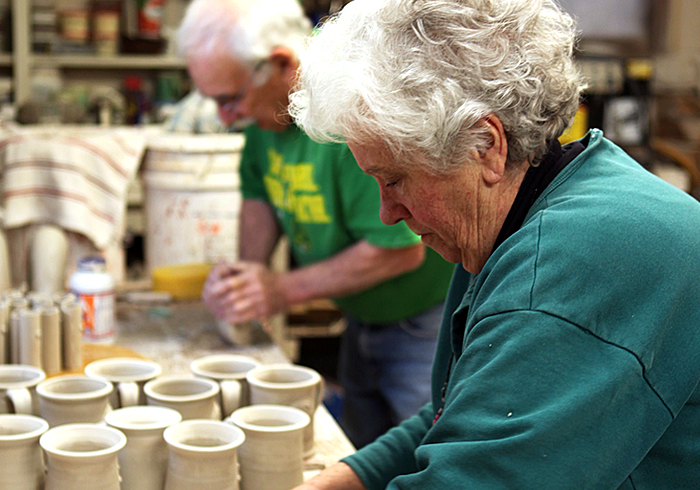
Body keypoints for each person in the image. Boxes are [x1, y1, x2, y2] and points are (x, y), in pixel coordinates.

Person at [288, 0, 700, 488]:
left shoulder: (563, 272)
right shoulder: (519, 212)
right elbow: (466, 413)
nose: (387, 213)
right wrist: (341, 478)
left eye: (394, 180)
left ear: (486, 146)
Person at [175, 0, 455, 448]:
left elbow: (398, 248)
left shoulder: (351, 112)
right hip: (360, 313)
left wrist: (280, 289)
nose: (225, 118)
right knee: (363, 450)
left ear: (282, 64)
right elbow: (260, 199)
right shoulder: (262, 118)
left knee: (426, 454)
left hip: (423, 319)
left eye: (229, 99)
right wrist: (244, 282)